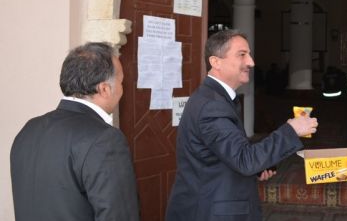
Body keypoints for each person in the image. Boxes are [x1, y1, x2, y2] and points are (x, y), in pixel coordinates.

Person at [166, 29, 318, 221]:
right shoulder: (212, 106)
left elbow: (227, 154)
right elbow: (244, 160)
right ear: (216, 62)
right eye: (242, 55)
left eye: (249, 54)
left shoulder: (216, 98)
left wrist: (257, 168)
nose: (251, 62)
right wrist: (292, 130)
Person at [10, 42, 140, 221]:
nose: (122, 88)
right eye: (121, 81)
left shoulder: (29, 129)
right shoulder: (105, 139)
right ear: (104, 89)